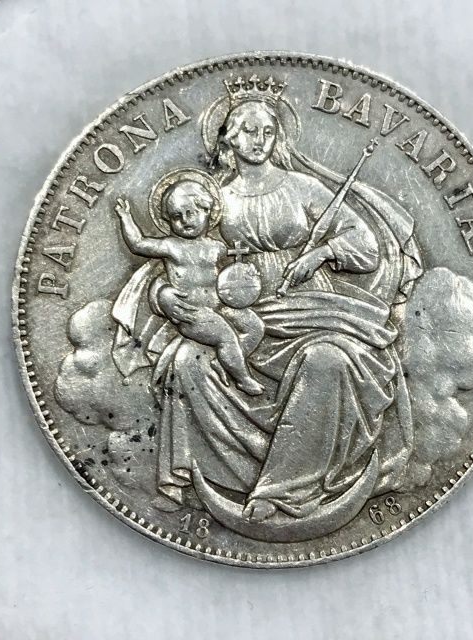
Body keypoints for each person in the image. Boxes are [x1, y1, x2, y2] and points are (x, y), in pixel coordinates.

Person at [113, 76, 422, 529]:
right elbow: (178, 258)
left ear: (278, 137)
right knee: (186, 360)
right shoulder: (211, 199)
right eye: (247, 131)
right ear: (228, 139)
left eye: (267, 131)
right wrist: (163, 297)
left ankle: (284, 489)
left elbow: (366, 247)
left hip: (314, 307)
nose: (258, 140)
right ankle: (214, 479)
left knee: (327, 360)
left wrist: (321, 252)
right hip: (238, 312)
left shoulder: (303, 188)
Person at [114, 179, 265, 396]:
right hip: (191, 313)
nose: (185, 221)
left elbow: (237, 268)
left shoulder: (217, 247)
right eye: (176, 216)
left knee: (255, 326)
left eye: (191, 213)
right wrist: (126, 217)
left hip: (219, 306)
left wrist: (246, 272)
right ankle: (242, 379)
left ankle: (224, 362)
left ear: (207, 211)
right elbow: (138, 244)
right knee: (226, 335)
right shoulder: (171, 246)